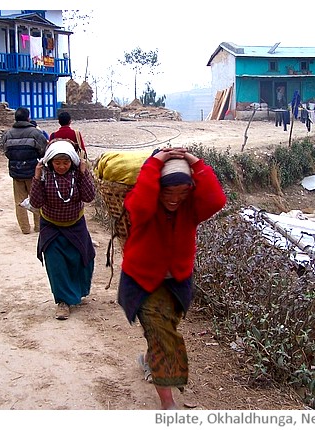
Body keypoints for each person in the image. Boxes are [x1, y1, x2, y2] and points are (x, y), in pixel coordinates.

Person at [117, 147, 226, 409]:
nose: (175, 198)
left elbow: (216, 200)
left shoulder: (191, 208)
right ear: (157, 187)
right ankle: (168, 403)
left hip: (177, 283)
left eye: (182, 192)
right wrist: (155, 162)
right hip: (142, 282)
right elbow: (140, 205)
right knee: (164, 339)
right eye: (168, 192)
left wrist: (194, 161)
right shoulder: (143, 203)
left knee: (163, 331)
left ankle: (148, 360)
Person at [29, 140, 96, 320]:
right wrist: (36, 176)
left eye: (65, 162)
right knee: (56, 264)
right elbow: (35, 202)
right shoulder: (44, 176)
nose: (61, 166)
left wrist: (84, 173)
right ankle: (63, 302)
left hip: (76, 225)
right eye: (57, 163)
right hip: (51, 227)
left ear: (72, 162)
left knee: (82, 259)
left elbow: (89, 197)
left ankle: (77, 293)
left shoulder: (77, 174)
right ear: (50, 161)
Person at [1, 107, 48, 234]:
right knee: (36, 198)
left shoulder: (8, 134)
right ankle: (38, 227)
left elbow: (6, 151)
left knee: (19, 201)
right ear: (28, 118)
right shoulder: (36, 133)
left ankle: (25, 228)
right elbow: (43, 151)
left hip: (16, 172)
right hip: (34, 172)